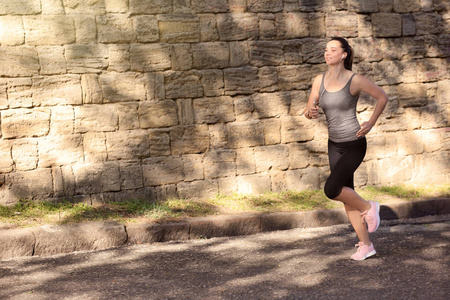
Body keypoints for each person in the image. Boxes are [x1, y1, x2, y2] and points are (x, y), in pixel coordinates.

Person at [303, 37, 388, 261]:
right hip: (334, 144)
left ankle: (370, 207)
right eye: (325, 49)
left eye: (333, 49)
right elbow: (309, 106)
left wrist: (370, 123)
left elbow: (382, 96)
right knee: (345, 196)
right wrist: (310, 111)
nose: (327, 53)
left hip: (354, 143)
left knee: (332, 189)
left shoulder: (355, 80)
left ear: (344, 54)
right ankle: (366, 245)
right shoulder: (319, 80)